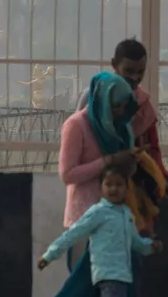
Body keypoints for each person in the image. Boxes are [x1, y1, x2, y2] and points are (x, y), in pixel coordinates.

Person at [38, 163, 162, 297]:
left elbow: (135, 242)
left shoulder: (126, 215)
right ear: (101, 188)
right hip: (108, 276)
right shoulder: (98, 212)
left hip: (124, 277)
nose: (114, 188)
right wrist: (49, 255)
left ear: (127, 189)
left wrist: (150, 246)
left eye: (119, 184)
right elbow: (73, 233)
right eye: (109, 184)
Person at [58, 72, 139, 274]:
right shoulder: (76, 125)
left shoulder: (119, 126)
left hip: (114, 219)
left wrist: (129, 161)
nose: (120, 111)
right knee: (83, 283)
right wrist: (108, 161)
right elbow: (67, 174)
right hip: (84, 219)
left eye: (123, 106)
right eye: (115, 105)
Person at [79, 38, 165, 176]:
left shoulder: (142, 102)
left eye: (140, 72)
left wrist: (161, 178)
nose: (134, 77)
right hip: (98, 179)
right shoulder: (92, 97)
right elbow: (80, 142)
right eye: (129, 70)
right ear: (114, 64)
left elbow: (153, 148)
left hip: (134, 180)